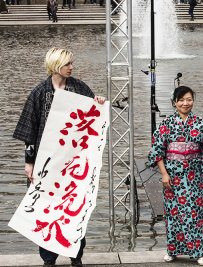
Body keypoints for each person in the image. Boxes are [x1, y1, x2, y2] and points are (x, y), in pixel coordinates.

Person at [13, 48, 106, 267]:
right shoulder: (39, 92)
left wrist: (98, 102)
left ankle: (76, 255)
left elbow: (92, 113)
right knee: (45, 208)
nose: (71, 67)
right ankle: (48, 258)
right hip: (46, 163)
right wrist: (29, 162)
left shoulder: (79, 87)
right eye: (68, 64)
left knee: (75, 207)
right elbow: (30, 131)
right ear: (56, 66)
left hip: (73, 161)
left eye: (72, 63)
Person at [148, 86, 203, 266]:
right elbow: (157, 150)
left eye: (189, 99)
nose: (185, 103)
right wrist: (164, 174)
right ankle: (173, 250)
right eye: (181, 100)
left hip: (193, 176)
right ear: (174, 102)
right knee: (173, 213)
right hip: (172, 176)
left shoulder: (200, 123)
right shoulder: (166, 123)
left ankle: (199, 252)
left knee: (195, 214)